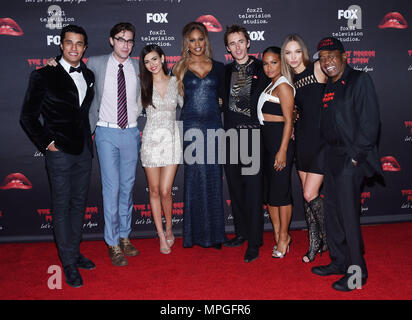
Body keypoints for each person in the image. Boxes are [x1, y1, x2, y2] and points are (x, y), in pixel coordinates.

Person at [46, 23, 141, 267]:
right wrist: (52, 64)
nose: (125, 45)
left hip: (130, 132)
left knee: (127, 187)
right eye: (121, 39)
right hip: (105, 131)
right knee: (111, 189)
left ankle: (125, 236)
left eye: (130, 40)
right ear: (111, 40)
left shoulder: (139, 66)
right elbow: (70, 66)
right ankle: (112, 243)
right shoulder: (96, 63)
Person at [20, 25, 95, 288]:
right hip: (59, 152)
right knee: (62, 207)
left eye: (79, 44)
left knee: (78, 205)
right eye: (69, 43)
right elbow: (27, 116)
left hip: (84, 151)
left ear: (85, 47)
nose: (74, 48)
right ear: (61, 45)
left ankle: (73, 252)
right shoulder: (43, 75)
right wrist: (46, 143)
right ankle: (68, 262)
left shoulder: (89, 74)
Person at [311, 37, 382, 291]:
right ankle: (339, 261)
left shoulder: (359, 80)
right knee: (333, 214)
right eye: (322, 57)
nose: (327, 61)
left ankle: (356, 272)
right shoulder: (329, 85)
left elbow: (370, 123)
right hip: (331, 156)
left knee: (349, 217)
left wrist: (355, 158)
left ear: (344, 57)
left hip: (349, 158)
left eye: (332, 55)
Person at [173, 21, 227, 249]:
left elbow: (225, 98)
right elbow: (171, 99)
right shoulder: (178, 69)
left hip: (214, 126)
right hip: (191, 127)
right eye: (192, 40)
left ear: (206, 40)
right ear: (187, 43)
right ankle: (195, 235)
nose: (197, 44)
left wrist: (221, 103)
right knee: (195, 179)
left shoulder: (219, 67)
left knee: (214, 178)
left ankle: (215, 235)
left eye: (200, 39)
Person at [220, 25, 269, 262]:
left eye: (241, 42)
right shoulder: (225, 71)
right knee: (236, 189)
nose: (237, 47)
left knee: (253, 191)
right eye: (232, 43)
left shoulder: (263, 67)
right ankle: (240, 233)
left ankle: (255, 242)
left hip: (253, 138)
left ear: (248, 43)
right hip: (229, 137)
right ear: (227, 48)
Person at [281, 34, 328, 263]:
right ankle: (314, 243)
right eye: (288, 52)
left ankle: (328, 233)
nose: (293, 57)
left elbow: (338, 67)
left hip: (321, 142)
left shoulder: (318, 68)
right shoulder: (289, 81)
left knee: (310, 194)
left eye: (297, 51)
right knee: (308, 196)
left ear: (304, 52)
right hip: (301, 142)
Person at [138, 44, 183, 254]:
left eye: (154, 59)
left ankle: (169, 227)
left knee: (166, 191)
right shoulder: (142, 85)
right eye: (147, 62)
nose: (152, 65)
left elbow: (188, 104)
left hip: (172, 140)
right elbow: (132, 109)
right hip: (151, 142)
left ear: (163, 58)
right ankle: (160, 235)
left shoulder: (176, 82)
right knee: (154, 190)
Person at [257, 46, 295, 258]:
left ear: (281, 63)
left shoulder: (283, 86)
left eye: (273, 62)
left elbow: (289, 120)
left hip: (280, 143)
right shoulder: (269, 85)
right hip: (267, 142)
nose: (269, 67)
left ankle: (284, 237)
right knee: (271, 195)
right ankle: (278, 234)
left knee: (281, 193)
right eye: (265, 63)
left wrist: (282, 151)